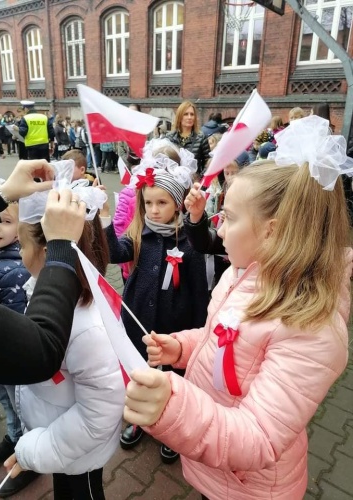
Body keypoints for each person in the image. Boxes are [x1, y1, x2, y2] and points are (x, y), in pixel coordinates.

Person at [123, 115, 353, 500]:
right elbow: (220, 340)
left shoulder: (312, 328)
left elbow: (260, 437)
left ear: (272, 231)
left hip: (250, 488)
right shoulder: (241, 274)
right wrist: (181, 347)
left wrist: (172, 406)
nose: (219, 229)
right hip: (217, 471)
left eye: (227, 218)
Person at [3, 197, 125, 499]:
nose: (19, 253)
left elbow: (98, 414)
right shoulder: (49, 298)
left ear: (48, 253)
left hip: (77, 450)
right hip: (59, 441)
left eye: (21, 244)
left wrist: (36, 449)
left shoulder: (86, 328)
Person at [103, 141, 209, 462]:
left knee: (170, 378)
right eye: (148, 203)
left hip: (174, 326)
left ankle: (171, 427)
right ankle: (140, 421)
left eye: (161, 202)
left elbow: (199, 290)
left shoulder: (188, 243)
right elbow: (114, 253)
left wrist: (200, 329)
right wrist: (106, 221)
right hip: (138, 318)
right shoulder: (140, 234)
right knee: (140, 370)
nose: (153, 210)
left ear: (177, 205)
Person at [0, 159, 86, 383]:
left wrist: (0, 194)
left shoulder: (88, 329)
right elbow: (39, 352)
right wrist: (62, 246)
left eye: (22, 246)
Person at [0, 203, 39, 495]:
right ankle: (13, 437)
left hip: (9, 358)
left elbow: (17, 325)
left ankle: (29, 459)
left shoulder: (14, 270)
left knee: (19, 404)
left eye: (4, 222)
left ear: (20, 229)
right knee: (3, 398)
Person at [166, 101, 210, 176]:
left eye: (192, 114)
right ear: (180, 117)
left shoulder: (201, 138)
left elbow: (208, 162)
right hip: (174, 181)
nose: (189, 117)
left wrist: (200, 178)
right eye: (186, 114)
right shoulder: (169, 137)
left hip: (193, 183)